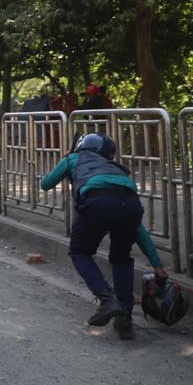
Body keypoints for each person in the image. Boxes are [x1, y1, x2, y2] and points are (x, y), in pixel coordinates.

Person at [40, 132, 143, 339]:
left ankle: (107, 298)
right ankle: (125, 317)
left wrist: (68, 168)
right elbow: (139, 228)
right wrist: (157, 263)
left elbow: (46, 184)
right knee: (122, 258)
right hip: (132, 205)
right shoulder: (116, 168)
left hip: (98, 202)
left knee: (79, 252)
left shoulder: (73, 159)